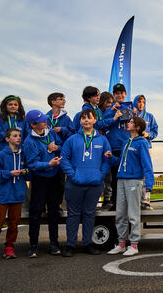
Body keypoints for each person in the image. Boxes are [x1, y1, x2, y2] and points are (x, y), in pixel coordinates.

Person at [59, 108, 112, 257]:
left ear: (95, 120)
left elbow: (107, 159)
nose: (86, 120)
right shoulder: (72, 139)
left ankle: (88, 243)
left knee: (89, 214)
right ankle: (70, 245)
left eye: (89, 118)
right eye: (83, 118)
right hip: (74, 184)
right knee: (73, 215)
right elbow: (64, 159)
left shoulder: (102, 140)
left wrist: (100, 175)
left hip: (94, 184)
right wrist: (72, 175)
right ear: (80, 121)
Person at [107, 117, 155, 256]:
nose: (128, 123)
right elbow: (121, 161)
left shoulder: (142, 143)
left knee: (133, 215)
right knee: (120, 214)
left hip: (134, 181)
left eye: (131, 122)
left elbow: (147, 164)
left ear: (138, 127)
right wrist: (111, 158)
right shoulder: (125, 142)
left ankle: (134, 245)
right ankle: (121, 243)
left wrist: (149, 184)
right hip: (121, 180)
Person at [23, 110, 63, 258]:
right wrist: (49, 163)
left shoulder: (51, 133)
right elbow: (32, 164)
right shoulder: (29, 142)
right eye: (42, 120)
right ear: (33, 125)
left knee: (54, 212)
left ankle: (54, 243)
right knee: (36, 212)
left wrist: (56, 148)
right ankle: (33, 245)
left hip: (54, 178)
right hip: (40, 179)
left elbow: (61, 145)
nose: (45, 122)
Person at [0, 128, 28, 261]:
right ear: (7, 139)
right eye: (15, 136)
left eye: (20, 136)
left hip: (18, 195)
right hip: (3, 195)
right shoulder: (1, 155)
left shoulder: (23, 155)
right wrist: (9, 173)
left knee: (14, 224)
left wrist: (25, 171)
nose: (19, 138)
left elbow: (29, 170)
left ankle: (9, 247)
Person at [46, 92, 75, 211]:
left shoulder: (67, 119)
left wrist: (62, 129)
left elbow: (73, 133)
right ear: (53, 102)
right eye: (61, 99)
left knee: (59, 180)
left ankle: (57, 204)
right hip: (47, 152)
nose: (64, 101)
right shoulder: (45, 117)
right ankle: (45, 204)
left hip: (61, 152)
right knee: (47, 179)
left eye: (64, 99)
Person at [133, 94, 158, 209]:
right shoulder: (132, 116)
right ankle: (135, 200)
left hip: (146, 146)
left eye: (143, 102)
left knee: (147, 171)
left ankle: (146, 200)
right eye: (138, 102)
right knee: (135, 172)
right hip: (133, 148)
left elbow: (155, 131)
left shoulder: (149, 116)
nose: (141, 104)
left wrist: (148, 135)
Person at [0, 95, 27, 163]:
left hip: (18, 156)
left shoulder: (23, 121)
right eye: (10, 104)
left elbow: (27, 138)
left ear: (19, 107)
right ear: (5, 106)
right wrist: (5, 135)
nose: (13, 106)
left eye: (15, 104)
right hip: (0, 155)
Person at [98, 91, 115, 209]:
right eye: (108, 102)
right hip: (96, 145)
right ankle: (98, 197)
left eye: (111, 102)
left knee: (108, 173)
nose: (110, 104)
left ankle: (108, 197)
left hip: (107, 144)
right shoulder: (97, 113)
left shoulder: (112, 113)